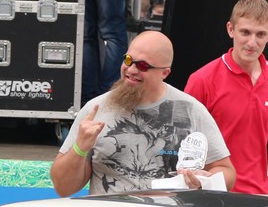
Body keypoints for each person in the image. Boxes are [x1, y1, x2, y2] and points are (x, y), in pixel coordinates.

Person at [52, 30, 236, 196]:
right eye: (128, 60)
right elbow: (63, 188)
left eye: (143, 66)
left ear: (165, 73)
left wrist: (204, 180)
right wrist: (80, 148)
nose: (131, 70)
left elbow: (227, 173)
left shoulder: (190, 110)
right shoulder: (95, 110)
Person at [185, 0, 268, 196]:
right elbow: (180, 144)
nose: (252, 42)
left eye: (260, 34)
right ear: (230, 29)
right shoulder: (202, 80)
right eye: (245, 32)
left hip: (259, 197)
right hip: (212, 198)